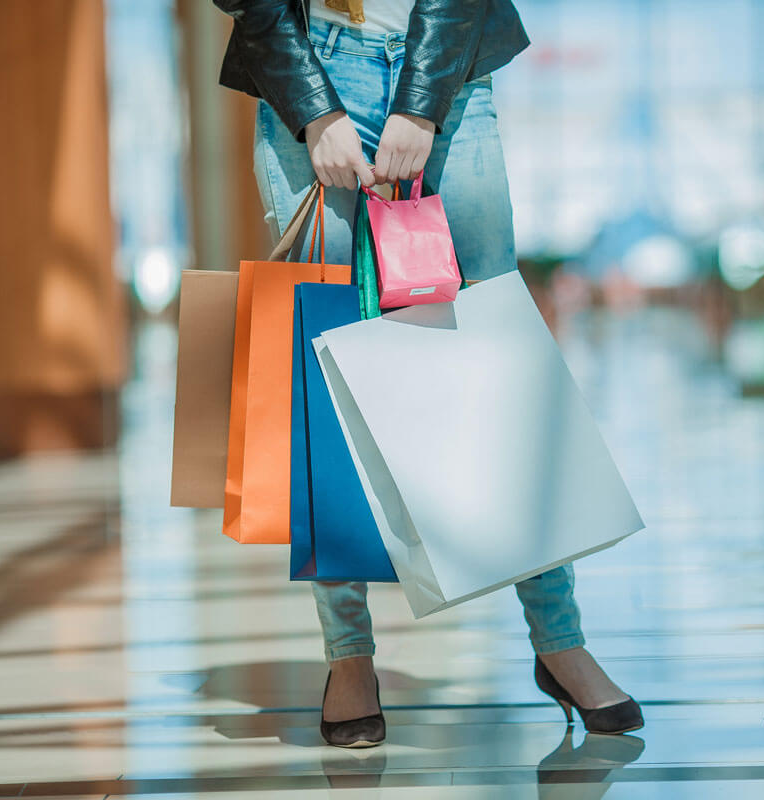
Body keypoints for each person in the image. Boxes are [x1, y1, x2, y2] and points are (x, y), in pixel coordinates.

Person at [213, 0, 643, 748]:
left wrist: (419, 104)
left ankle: (559, 640)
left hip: (448, 65)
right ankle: (348, 656)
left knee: (497, 362)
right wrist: (315, 110)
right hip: (310, 71)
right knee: (326, 377)